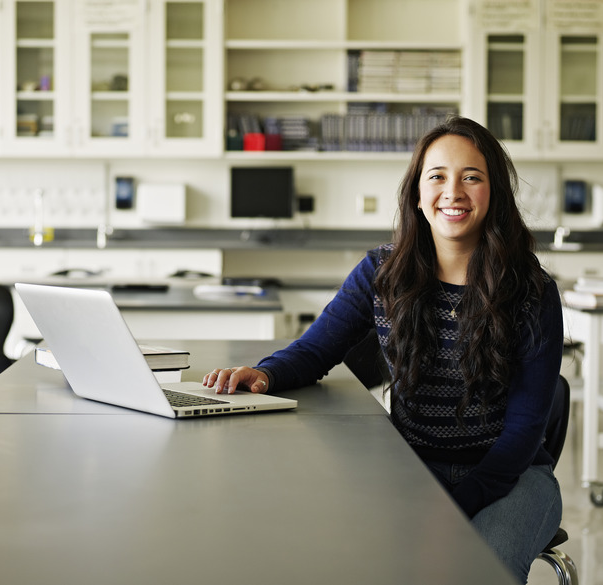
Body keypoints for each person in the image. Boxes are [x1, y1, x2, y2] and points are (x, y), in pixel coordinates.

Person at [203, 116, 563, 584]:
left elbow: (523, 431)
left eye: (471, 177)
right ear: (417, 192)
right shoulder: (382, 272)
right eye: (437, 176)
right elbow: (316, 350)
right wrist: (265, 375)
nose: (452, 191)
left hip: (513, 479)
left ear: (495, 192)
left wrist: (454, 508)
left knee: (477, 571)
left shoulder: (533, 291)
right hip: (412, 467)